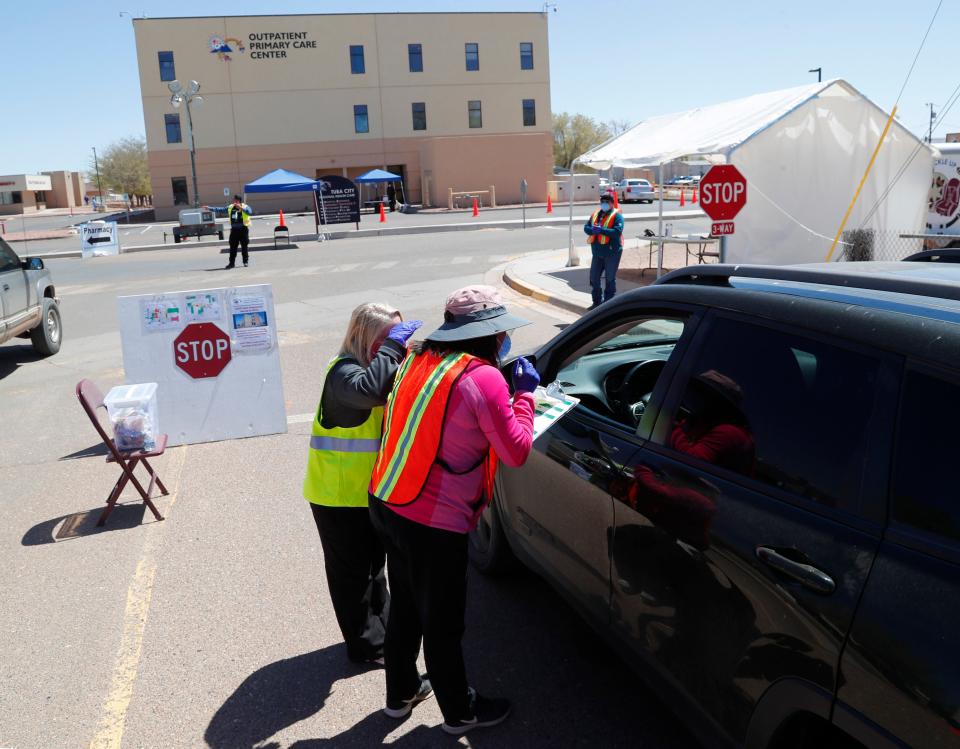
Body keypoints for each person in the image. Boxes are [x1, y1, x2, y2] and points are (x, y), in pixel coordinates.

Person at [368, 285, 539, 735]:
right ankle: (459, 712)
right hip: (433, 519)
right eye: (501, 332)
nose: (505, 339)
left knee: (406, 603)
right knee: (443, 621)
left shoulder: (418, 360)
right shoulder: (484, 378)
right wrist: (524, 397)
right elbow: (516, 450)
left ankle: (400, 695)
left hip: (390, 499)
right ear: (490, 334)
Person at [302, 303, 423, 665]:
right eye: (388, 337)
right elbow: (370, 393)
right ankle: (366, 647)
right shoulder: (344, 373)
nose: (397, 344)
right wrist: (392, 350)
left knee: (376, 570)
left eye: (400, 335)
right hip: (337, 495)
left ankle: (381, 635)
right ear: (364, 335)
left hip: (370, 493)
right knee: (352, 578)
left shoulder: (380, 367)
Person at [583, 191, 625, 309]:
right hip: (597, 252)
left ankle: (608, 305)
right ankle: (596, 302)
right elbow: (586, 227)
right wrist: (592, 230)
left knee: (610, 278)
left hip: (612, 252)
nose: (604, 204)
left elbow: (617, 232)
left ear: (612, 204)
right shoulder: (596, 214)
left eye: (607, 202)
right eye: (602, 202)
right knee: (594, 278)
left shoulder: (617, 216)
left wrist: (601, 230)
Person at [225, 195, 252, 269]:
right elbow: (221, 209)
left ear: (239, 201)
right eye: (233, 201)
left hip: (243, 230)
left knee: (244, 247)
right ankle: (231, 263)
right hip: (234, 231)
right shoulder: (231, 207)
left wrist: (241, 208)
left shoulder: (245, 206)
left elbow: (249, 212)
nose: (234, 202)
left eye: (235, 201)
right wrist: (210, 208)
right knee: (232, 248)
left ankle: (245, 261)